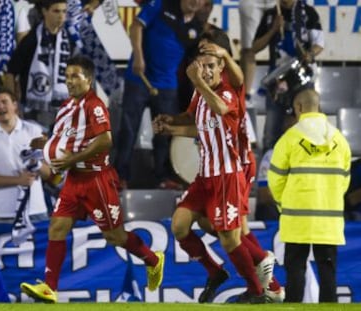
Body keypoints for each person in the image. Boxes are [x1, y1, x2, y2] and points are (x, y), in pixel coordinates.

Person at [19, 55, 164, 303]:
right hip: (74, 180)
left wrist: (73, 158)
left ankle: (153, 259)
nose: (70, 81)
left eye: (76, 76)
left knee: (115, 237)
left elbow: (105, 140)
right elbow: (63, 142)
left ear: (89, 78)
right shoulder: (66, 107)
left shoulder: (94, 105)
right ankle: (49, 287)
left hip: (97, 180)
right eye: (67, 77)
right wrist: (45, 145)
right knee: (57, 227)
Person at [154, 46, 270, 303]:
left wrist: (197, 81)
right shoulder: (200, 94)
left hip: (227, 177)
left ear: (221, 69)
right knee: (179, 226)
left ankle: (256, 290)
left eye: (210, 66)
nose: (205, 71)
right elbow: (202, 130)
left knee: (230, 239)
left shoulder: (228, 93)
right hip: (205, 177)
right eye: (201, 66)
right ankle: (215, 272)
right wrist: (170, 128)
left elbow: (219, 108)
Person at [268, 89, 351, 302]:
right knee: (328, 272)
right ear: (319, 106)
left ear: (299, 108)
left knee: (295, 271)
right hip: (329, 220)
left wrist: (283, 204)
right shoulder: (340, 140)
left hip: (297, 218)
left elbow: (275, 179)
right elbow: (344, 180)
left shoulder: (290, 139)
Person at [114, 0, 204, 190]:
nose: (195, 1)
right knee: (129, 130)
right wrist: (138, 57)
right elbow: (136, 26)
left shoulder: (196, 28)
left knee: (164, 133)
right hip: (138, 79)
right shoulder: (161, 5)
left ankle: (162, 177)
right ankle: (120, 176)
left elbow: (194, 61)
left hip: (167, 86)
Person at [252, 0, 324, 151]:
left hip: (302, 77)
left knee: (308, 127)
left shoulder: (308, 13)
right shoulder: (270, 15)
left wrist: (309, 55)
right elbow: (254, 47)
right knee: (272, 132)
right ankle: (269, 169)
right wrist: (273, 30)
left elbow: (319, 43)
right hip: (277, 80)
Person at [0, 86, 50, 224]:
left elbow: (48, 173)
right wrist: (18, 180)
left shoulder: (33, 131)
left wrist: (36, 164)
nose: (0, 107)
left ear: (15, 105)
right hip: (3, 214)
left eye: (4, 102)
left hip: (35, 211)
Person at [5, 0, 74, 130]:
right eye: (56, 11)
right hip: (34, 108)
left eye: (64, 11)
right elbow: (11, 72)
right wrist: (12, 103)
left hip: (63, 107)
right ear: (44, 11)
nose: (61, 16)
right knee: (36, 148)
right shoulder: (31, 39)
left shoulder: (69, 40)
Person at [238, 0, 276, 105]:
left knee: (280, 41)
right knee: (248, 48)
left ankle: (277, 85)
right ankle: (245, 96)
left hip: (277, 2)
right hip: (252, 2)